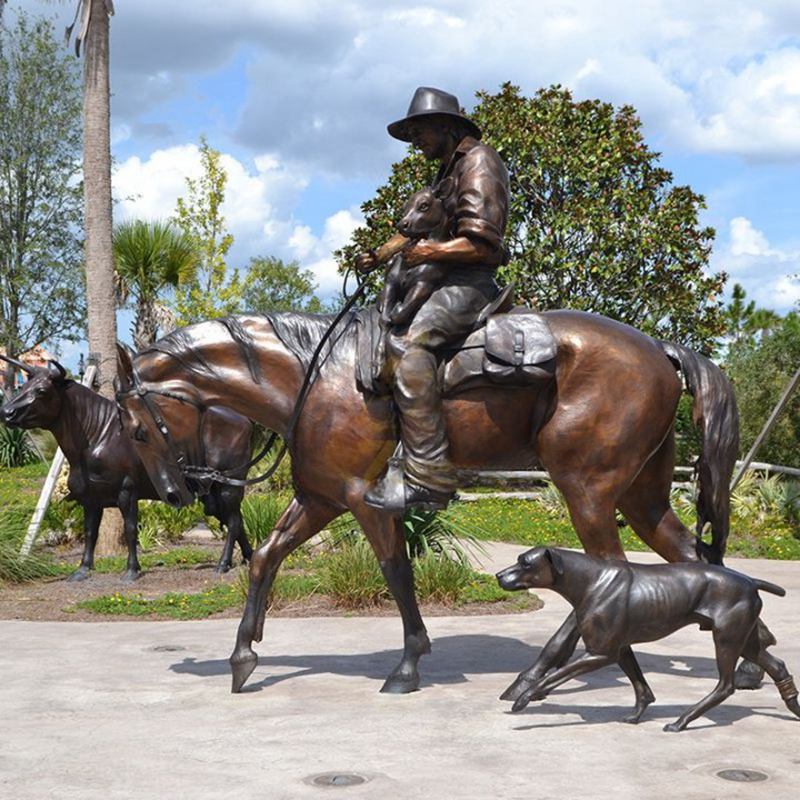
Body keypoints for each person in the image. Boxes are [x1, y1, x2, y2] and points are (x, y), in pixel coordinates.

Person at [358, 86, 510, 512]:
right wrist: (380, 255)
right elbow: (415, 232)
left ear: (446, 126)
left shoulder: (479, 162)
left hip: (469, 282)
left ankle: (428, 476)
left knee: (412, 349)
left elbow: (484, 244)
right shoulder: (445, 171)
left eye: (420, 132)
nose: (416, 142)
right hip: (443, 276)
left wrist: (432, 252)